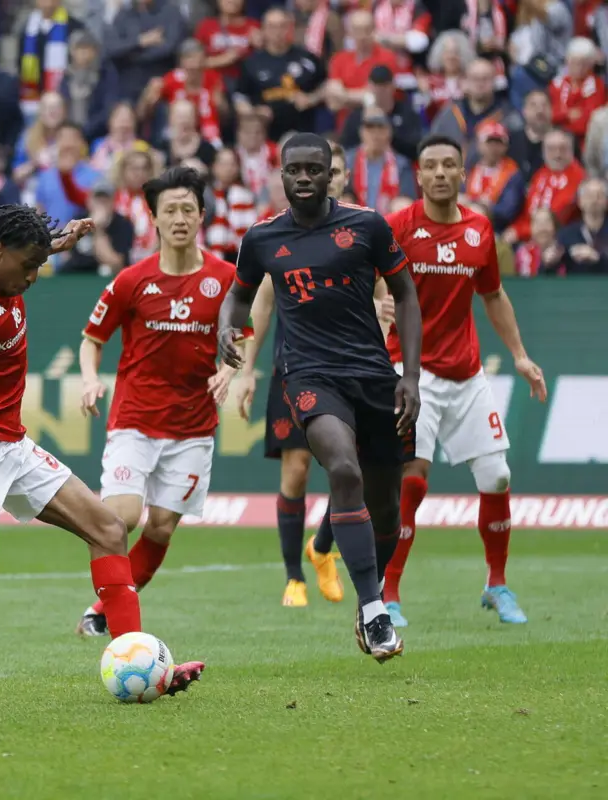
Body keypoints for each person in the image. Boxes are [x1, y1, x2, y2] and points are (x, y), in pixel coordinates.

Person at [0, 204, 204, 693]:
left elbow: (25, 253)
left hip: (12, 442)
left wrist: (61, 241)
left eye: (39, 264)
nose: (32, 277)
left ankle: (138, 660)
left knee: (109, 529)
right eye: (28, 266)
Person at [219, 133, 423, 663]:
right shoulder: (262, 237)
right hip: (309, 376)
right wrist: (226, 327)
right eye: (295, 170)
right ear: (282, 175)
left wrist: (411, 376)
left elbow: (405, 294)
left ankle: (369, 597)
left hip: (375, 377)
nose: (305, 178)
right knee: (344, 470)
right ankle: (375, 610)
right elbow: (239, 295)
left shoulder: (368, 226)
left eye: (315, 169)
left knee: (387, 512)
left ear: (331, 173)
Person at [377, 134, 547, 627]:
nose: (439, 173)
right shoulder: (398, 227)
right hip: (412, 373)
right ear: (418, 175)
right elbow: (371, 285)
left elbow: (492, 295)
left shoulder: (479, 229)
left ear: (462, 173)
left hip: (467, 373)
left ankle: (497, 584)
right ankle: (390, 594)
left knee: (497, 476)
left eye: (449, 165)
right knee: (412, 478)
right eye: (430, 165)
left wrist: (519, 356)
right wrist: (376, 307)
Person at [72, 167, 240, 637]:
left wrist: (229, 370)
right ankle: (119, 618)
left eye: (188, 209)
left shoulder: (226, 279)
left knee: (162, 527)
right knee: (120, 519)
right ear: (154, 218)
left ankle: (100, 612)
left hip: (193, 427)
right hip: (135, 421)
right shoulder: (132, 280)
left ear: (202, 215)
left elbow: (242, 335)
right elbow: (91, 339)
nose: (180, 218)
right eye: (170, 210)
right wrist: (90, 380)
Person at [235, 141, 356, 607]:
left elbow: (387, 294)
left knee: (353, 469)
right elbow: (262, 302)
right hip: (295, 370)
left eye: (331, 171)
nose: (319, 178)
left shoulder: (362, 229)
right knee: (297, 469)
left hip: (351, 370)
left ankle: (321, 546)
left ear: (339, 177)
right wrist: (247, 368)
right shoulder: (279, 234)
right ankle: (294, 577)